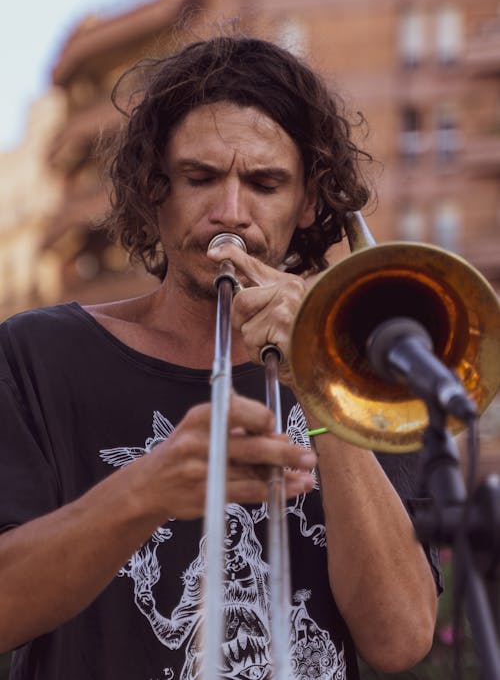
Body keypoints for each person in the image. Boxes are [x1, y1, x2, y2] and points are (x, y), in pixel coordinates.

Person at [0, 35, 439, 680]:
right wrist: (146, 490)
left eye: (265, 183)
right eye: (199, 178)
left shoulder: (371, 375)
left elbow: (400, 639)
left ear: (310, 202)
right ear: (154, 189)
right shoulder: (36, 354)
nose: (229, 213)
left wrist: (319, 379)